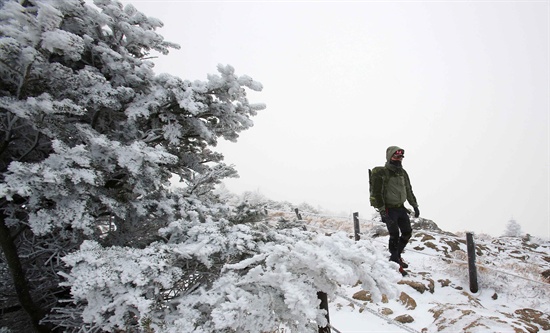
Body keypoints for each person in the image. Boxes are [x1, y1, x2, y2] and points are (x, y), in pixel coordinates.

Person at [369, 146, 419, 276]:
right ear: (389, 157)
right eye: (396, 156)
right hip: (388, 209)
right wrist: (382, 211)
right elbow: (377, 193)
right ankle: (396, 264)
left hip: (400, 208)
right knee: (394, 234)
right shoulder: (382, 173)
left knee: (407, 232)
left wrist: (414, 205)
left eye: (401, 157)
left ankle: (395, 257)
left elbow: (408, 190)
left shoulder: (403, 173)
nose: (399, 159)